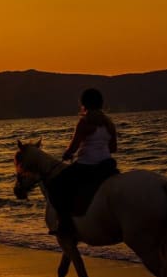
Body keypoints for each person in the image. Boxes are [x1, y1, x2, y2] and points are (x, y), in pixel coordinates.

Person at [46, 88, 120, 237]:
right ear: (101, 104)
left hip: (87, 166)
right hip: (107, 165)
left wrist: (67, 154)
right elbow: (113, 148)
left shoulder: (84, 123)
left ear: (84, 104)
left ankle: (64, 225)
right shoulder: (109, 124)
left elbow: (73, 147)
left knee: (54, 186)